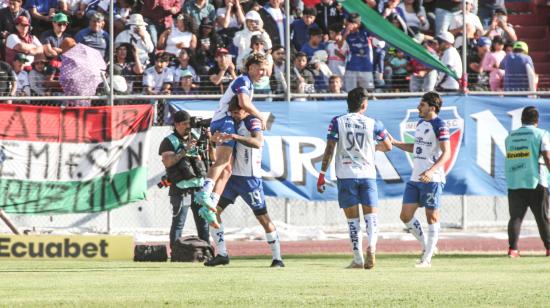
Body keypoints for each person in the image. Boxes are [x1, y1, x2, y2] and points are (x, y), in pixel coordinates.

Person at [204, 97, 284, 268]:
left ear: (246, 109)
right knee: (213, 212)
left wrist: (234, 136)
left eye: (237, 112)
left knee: (262, 217)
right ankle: (222, 253)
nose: (234, 116)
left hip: (250, 179)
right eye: (232, 113)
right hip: (232, 179)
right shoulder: (232, 122)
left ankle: (277, 258)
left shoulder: (252, 121)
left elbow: (257, 142)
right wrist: (215, 138)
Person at [317, 87, 391, 269]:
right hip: (367, 175)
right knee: (371, 217)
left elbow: (329, 149)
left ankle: (358, 258)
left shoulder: (337, 122)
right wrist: (373, 148)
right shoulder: (374, 123)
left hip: (346, 175)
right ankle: (372, 248)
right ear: (364, 105)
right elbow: (388, 146)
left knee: (352, 220)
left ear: (347, 104)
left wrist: (322, 174)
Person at [194, 53, 268, 227]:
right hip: (224, 120)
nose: (263, 73)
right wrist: (261, 117)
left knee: (228, 169)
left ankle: (211, 203)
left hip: (226, 123)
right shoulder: (244, 81)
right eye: (260, 69)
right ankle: (204, 192)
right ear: (251, 68)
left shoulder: (246, 82)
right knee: (223, 160)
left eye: (265, 69)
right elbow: (243, 103)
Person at [390, 91, 451, 268]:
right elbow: (415, 147)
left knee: (432, 216)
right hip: (415, 178)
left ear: (432, 107)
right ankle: (426, 247)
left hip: (432, 179)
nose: (418, 107)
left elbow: (447, 152)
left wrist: (431, 171)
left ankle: (427, 259)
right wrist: (395, 143)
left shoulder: (440, 124)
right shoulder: (420, 123)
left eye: (422, 105)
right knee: (405, 215)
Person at [158, 110, 210, 252]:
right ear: (176, 125)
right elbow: (168, 162)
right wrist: (184, 150)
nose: (188, 126)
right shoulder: (169, 141)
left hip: (199, 189)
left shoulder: (196, 137)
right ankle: (176, 252)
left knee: (204, 224)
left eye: (189, 123)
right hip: (182, 190)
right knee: (179, 223)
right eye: (184, 124)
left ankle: (207, 252)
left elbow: (209, 158)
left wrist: (209, 140)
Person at [504, 106, 550, 258]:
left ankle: (513, 250)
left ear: (521, 120)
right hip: (535, 181)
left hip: (515, 181)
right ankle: (549, 248)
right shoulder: (541, 134)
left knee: (515, 217)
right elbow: (547, 157)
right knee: (542, 217)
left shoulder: (510, 136)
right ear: (537, 120)